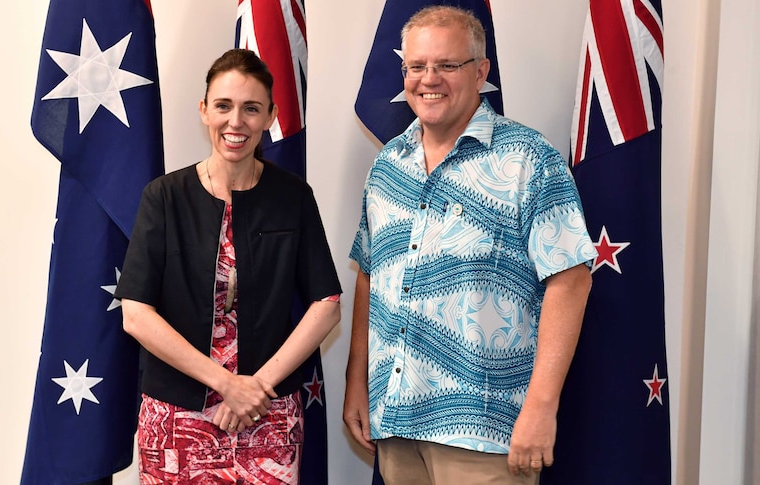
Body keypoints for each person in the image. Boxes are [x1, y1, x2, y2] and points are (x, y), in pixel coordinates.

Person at [343, 6, 598, 485]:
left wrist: (542, 407)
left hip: (486, 432)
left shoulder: (528, 159)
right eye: (416, 67)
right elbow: (369, 275)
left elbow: (571, 280)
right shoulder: (388, 165)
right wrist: (357, 381)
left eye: (447, 65)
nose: (428, 79)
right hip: (397, 423)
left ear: (481, 72)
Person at [115, 48, 342, 485]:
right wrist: (226, 383)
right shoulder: (163, 197)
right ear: (204, 111)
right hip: (177, 421)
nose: (235, 122)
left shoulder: (293, 196)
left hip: (269, 417)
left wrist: (254, 388)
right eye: (223, 106)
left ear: (271, 116)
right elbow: (136, 315)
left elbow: (327, 303)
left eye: (251, 109)